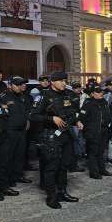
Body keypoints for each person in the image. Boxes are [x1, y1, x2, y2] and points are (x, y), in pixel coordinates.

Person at [30, 71, 83, 209]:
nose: (64, 83)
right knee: (51, 167)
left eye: (65, 81)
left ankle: (62, 192)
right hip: (51, 136)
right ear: (52, 82)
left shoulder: (67, 94)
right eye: (61, 81)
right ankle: (51, 197)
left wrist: (76, 121)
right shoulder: (44, 96)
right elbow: (33, 116)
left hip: (65, 134)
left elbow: (71, 111)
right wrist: (51, 118)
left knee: (63, 166)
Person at [0, 77, 32, 191]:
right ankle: (8, 179)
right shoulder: (3, 96)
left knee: (19, 155)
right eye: (17, 85)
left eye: (21, 84)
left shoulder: (22, 96)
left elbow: (25, 111)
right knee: (8, 156)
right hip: (9, 130)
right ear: (10, 85)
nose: (20, 87)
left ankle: (18, 176)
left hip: (21, 130)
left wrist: (27, 120)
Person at [79, 85, 112, 179]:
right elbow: (82, 118)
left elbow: (107, 115)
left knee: (101, 152)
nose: (101, 93)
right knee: (93, 153)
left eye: (101, 92)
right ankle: (94, 172)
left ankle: (102, 169)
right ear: (93, 94)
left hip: (104, 131)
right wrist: (88, 131)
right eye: (98, 92)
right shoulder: (88, 104)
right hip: (93, 132)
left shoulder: (104, 102)